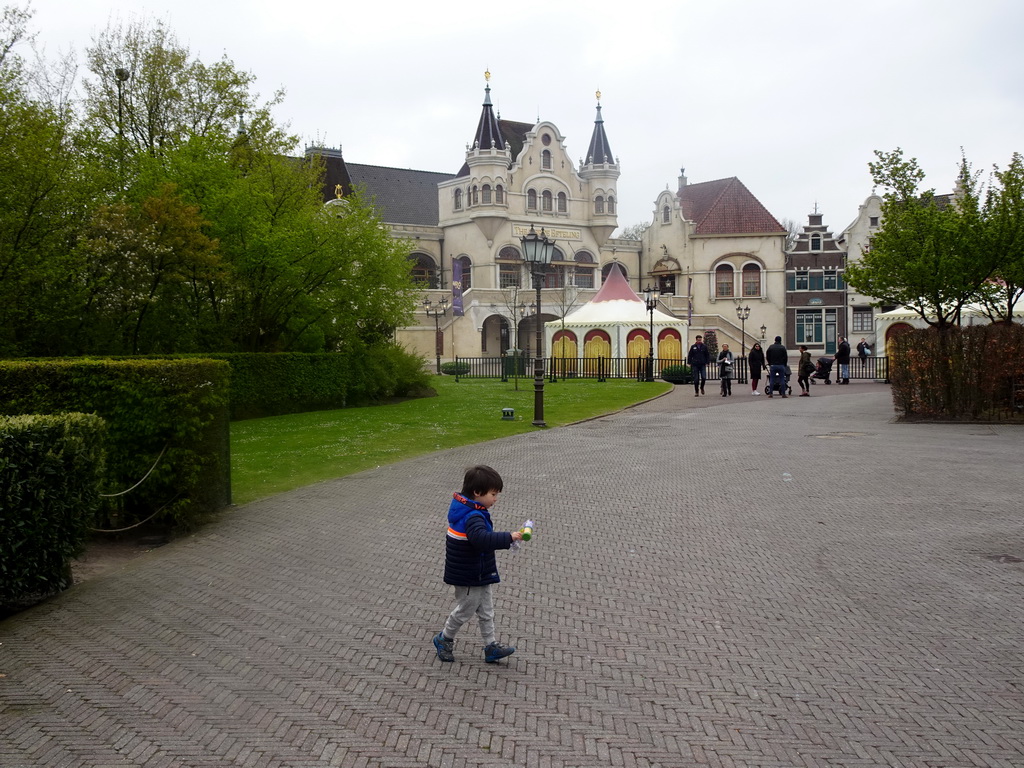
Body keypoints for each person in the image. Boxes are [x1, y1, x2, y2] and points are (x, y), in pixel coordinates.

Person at [433, 465, 523, 664]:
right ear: (477, 492)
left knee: (486, 611)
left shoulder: (470, 511)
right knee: (465, 610)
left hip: (480, 572)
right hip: (468, 575)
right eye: (493, 494)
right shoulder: (473, 516)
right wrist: (509, 537)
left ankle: (491, 645)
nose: (495, 499)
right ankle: (444, 638)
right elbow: (481, 539)